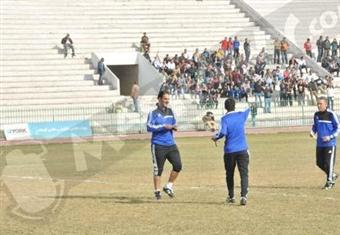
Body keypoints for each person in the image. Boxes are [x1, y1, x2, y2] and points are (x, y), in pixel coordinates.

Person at [212, 98, 250, 206]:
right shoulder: (241, 115)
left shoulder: (225, 119)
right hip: (242, 149)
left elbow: (223, 132)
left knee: (230, 174)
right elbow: (249, 109)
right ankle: (243, 196)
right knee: (244, 173)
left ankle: (231, 196)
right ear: (235, 106)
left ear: (225, 107)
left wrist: (216, 137)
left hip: (229, 151)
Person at [147, 91, 182, 200]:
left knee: (178, 165)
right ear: (159, 99)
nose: (167, 101)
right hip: (158, 145)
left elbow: (174, 123)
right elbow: (149, 127)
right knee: (158, 169)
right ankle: (157, 192)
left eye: (168, 99)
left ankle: (168, 186)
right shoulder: (153, 113)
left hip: (171, 144)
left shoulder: (171, 111)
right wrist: (163, 126)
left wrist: (174, 126)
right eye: (165, 99)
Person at [310, 97, 339, 190]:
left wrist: (330, 137)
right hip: (319, 144)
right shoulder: (316, 114)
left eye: (321, 104)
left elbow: (338, 127)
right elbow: (315, 126)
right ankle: (333, 175)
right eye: (318, 104)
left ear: (326, 104)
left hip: (330, 144)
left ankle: (329, 182)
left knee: (328, 163)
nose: (319, 105)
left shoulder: (331, 114)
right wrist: (312, 132)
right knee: (319, 163)